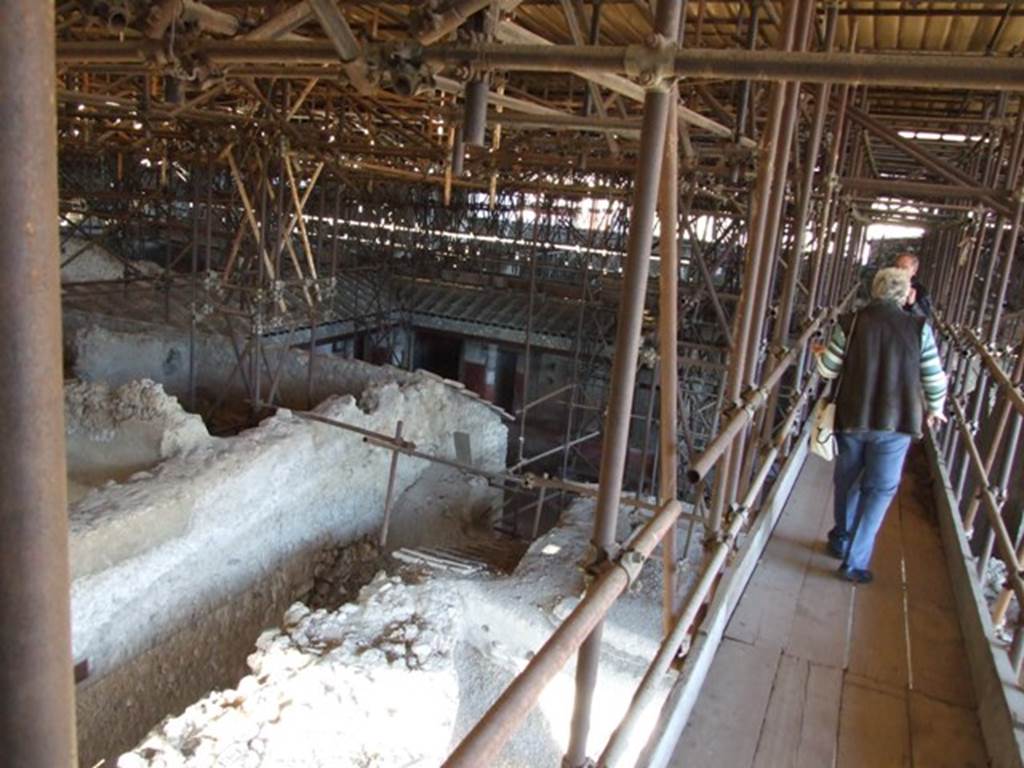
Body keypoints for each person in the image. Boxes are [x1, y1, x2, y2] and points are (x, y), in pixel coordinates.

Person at [815, 267, 948, 583]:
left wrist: (819, 354)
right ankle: (854, 562)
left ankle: (840, 539)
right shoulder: (919, 328)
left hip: (853, 416)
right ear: (905, 296)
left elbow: (828, 371)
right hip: (897, 422)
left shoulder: (853, 321)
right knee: (879, 490)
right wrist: (936, 408)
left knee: (847, 479)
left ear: (874, 291)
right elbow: (933, 376)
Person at [893, 252, 932, 319]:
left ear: (913, 271)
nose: (899, 270)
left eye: (904, 268)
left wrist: (913, 304)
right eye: (897, 267)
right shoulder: (886, 285)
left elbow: (927, 323)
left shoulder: (920, 292)